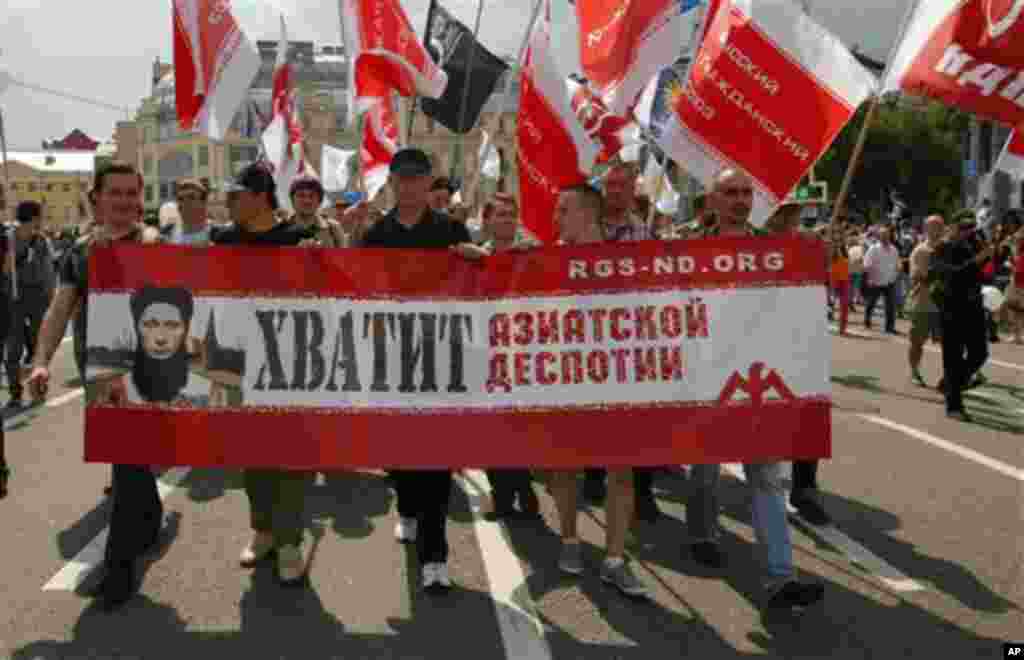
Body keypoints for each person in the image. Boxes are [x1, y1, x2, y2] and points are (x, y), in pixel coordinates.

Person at [683, 168, 825, 609]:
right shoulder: (689, 249)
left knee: (766, 475)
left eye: (747, 192)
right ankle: (703, 532)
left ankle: (779, 577)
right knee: (704, 467)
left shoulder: (773, 249)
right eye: (731, 192)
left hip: (758, 378)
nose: (740, 199)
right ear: (714, 199)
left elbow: (796, 301)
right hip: (708, 376)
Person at [26, 161, 165, 610]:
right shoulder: (80, 252)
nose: (124, 202)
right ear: (98, 198)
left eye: (132, 193)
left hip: (145, 374)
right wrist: (42, 361)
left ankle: (118, 568)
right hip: (100, 374)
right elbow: (60, 309)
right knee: (130, 462)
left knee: (127, 464)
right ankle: (150, 521)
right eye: (116, 193)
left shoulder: (153, 244)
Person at [356, 147, 478, 591]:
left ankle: (435, 554)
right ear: (392, 182)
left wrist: (479, 260)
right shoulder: (375, 236)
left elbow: (480, 282)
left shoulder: (451, 230)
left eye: (417, 178)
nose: (409, 186)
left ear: (430, 182)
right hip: (390, 357)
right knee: (401, 452)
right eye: (401, 179)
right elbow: (355, 292)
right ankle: (405, 506)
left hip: (441, 357)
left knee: (437, 456)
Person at [544, 182, 649, 598]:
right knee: (564, 466)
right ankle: (569, 539)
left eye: (562, 209)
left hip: (615, 378)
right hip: (566, 377)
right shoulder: (547, 258)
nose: (556, 218)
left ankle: (615, 558)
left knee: (620, 468)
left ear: (588, 214)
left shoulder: (625, 260)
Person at [210, 162, 313, 586]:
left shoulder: (297, 241)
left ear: (260, 196)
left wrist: (318, 263)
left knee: (288, 455)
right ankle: (264, 530)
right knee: (251, 453)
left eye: (236, 195)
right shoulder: (223, 240)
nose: (229, 203)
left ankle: (290, 541)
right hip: (239, 363)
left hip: (290, 365)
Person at [931, 212, 992, 422]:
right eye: (964, 227)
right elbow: (953, 275)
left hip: (974, 308)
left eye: (971, 227)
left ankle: (951, 384)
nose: (968, 231)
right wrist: (977, 260)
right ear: (953, 227)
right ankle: (953, 406)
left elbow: (985, 270)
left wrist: (994, 251)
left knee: (980, 353)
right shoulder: (942, 248)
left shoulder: (973, 245)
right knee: (952, 359)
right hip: (951, 310)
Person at [5, 202, 55, 408]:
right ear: (34, 218)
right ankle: (15, 393)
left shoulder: (41, 240)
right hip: (12, 297)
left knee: (38, 346)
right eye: (40, 217)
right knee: (13, 348)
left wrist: (52, 300)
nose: (41, 221)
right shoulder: (6, 239)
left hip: (37, 297)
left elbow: (48, 273)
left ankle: (37, 388)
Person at [907, 216, 945, 387]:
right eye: (933, 226)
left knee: (949, 344)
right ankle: (915, 372)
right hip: (923, 303)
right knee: (917, 342)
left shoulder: (949, 248)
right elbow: (915, 275)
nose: (937, 229)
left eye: (939, 226)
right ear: (926, 229)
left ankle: (949, 376)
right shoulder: (920, 250)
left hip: (944, 305)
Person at [289, 175, 347, 247]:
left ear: (319, 201)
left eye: (312, 196)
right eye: (301, 195)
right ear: (292, 200)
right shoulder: (280, 230)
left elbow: (344, 257)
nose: (307, 201)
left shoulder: (333, 228)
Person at [863, 227, 901, 333]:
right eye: (882, 234)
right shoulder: (873, 248)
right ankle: (867, 320)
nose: (885, 236)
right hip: (876, 281)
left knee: (890, 305)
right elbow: (867, 264)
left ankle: (889, 327)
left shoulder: (894, 249)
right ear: (879, 236)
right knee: (871, 302)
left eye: (887, 234)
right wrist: (870, 278)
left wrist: (897, 270)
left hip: (889, 281)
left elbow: (897, 263)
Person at [166, 179, 213, 246]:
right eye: (180, 199)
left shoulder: (216, 235)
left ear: (203, 203)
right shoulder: (169, 234)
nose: (184, 203)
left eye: (191, 197)